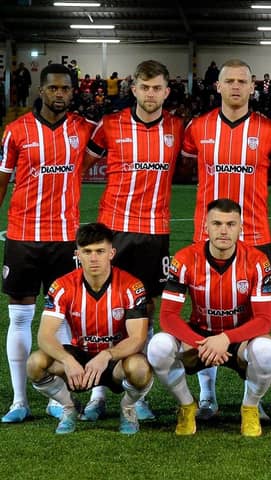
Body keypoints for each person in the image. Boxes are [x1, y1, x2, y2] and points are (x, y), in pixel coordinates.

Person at [181, 59, 271, 420]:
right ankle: (208, 396)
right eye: (228, 80)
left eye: (242, 81)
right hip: (206, 236)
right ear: (218, 86)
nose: (235, 86)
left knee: (255, 320)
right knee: (203, 314)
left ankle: (251, 402)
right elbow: (184, 165)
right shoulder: (197, 128)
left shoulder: (269, 130)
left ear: (252, 86)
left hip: (256, 236)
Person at [83, 59, 184, 421]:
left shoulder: (177, 127)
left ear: (166, 91)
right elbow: (81, 162)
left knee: (148, 310)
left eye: (158, 88)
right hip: (114, 229)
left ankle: (138, 393)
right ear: (134, 89)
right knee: (105, 310)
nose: (151, 94)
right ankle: (96, 393)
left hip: (155, 232)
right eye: (145, 87)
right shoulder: (109, 125)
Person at [0, 64, 95, 423]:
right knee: (20, 317)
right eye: (53, 88)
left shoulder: (82, 129)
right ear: (41, 91)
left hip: (65, 240)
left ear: (73, 92)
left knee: (63, 321)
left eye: (66, 89)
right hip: (24, 237)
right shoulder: (16, 131)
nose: (60, 94)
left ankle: (59, 397)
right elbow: (1, 181)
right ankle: (19, 401)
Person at [147, 199, 271, 436]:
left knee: (268, 350)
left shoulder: (258, 261)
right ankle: (187, 406)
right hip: (200, 336)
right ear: (205, 226)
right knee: (158, 346)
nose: (224, 230)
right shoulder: (185, 259)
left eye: (231, 224)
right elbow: (167, 316)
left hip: (240, 339)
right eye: (217, 223)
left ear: (241, 227)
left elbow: (264, 320)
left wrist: (226, 338)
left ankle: (250, 407)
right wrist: (202, 342)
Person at [25, 223, 152, 435]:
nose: (94, 258)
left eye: (100, 251)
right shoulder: (62, 286)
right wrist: (67, 360)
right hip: (80, 359)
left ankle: (127, 407)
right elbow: (45, 336)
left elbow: (138, 338)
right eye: (87, 252)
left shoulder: (132, 286)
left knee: (140, 369)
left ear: (111, 253)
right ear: (78, 254)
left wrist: (107, 354)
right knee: (35, 363)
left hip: (116, 361)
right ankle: (69, 406)